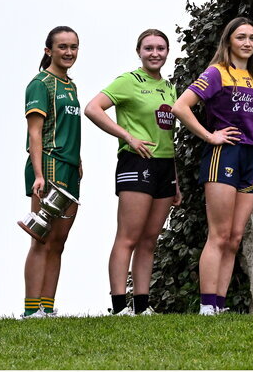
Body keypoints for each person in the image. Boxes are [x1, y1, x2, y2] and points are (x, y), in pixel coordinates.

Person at [171, 16, 253, 315]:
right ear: (229, 41)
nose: (247, 43)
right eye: (241, 37)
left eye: (252, 38)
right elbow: (180, 107)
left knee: (236, 236)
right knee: (219, 234)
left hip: (251, 161)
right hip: (224, 156)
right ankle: (206, 305)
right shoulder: (216, 73)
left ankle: (219, 305)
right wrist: (209, 136)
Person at [85, 29, 182, 316]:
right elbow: (93, 109)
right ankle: (118, 308)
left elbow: (169, 136)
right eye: (149, 48)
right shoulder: (128, 81)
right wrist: (128, 137)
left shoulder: (169, 87)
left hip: (166, 167)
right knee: (128, 236)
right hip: (137, 163)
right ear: (139, 52)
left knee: (149, 239)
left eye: (161, 48)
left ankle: (141, 306)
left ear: (167, 52)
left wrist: (175, 180)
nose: (155, 53)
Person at [22, 25, 82, 318]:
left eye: (73, 47)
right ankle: (31, 310)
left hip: (71, 169)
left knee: (59, 241)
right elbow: (35, 133)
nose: (69, 52)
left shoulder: (71, 85)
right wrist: (38, 175)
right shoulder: (40, 84)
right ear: (49, 51)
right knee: (41, 238)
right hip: (48, 165)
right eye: (62, 47)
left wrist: (79, 159)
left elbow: (68, 128)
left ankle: (47, 307)